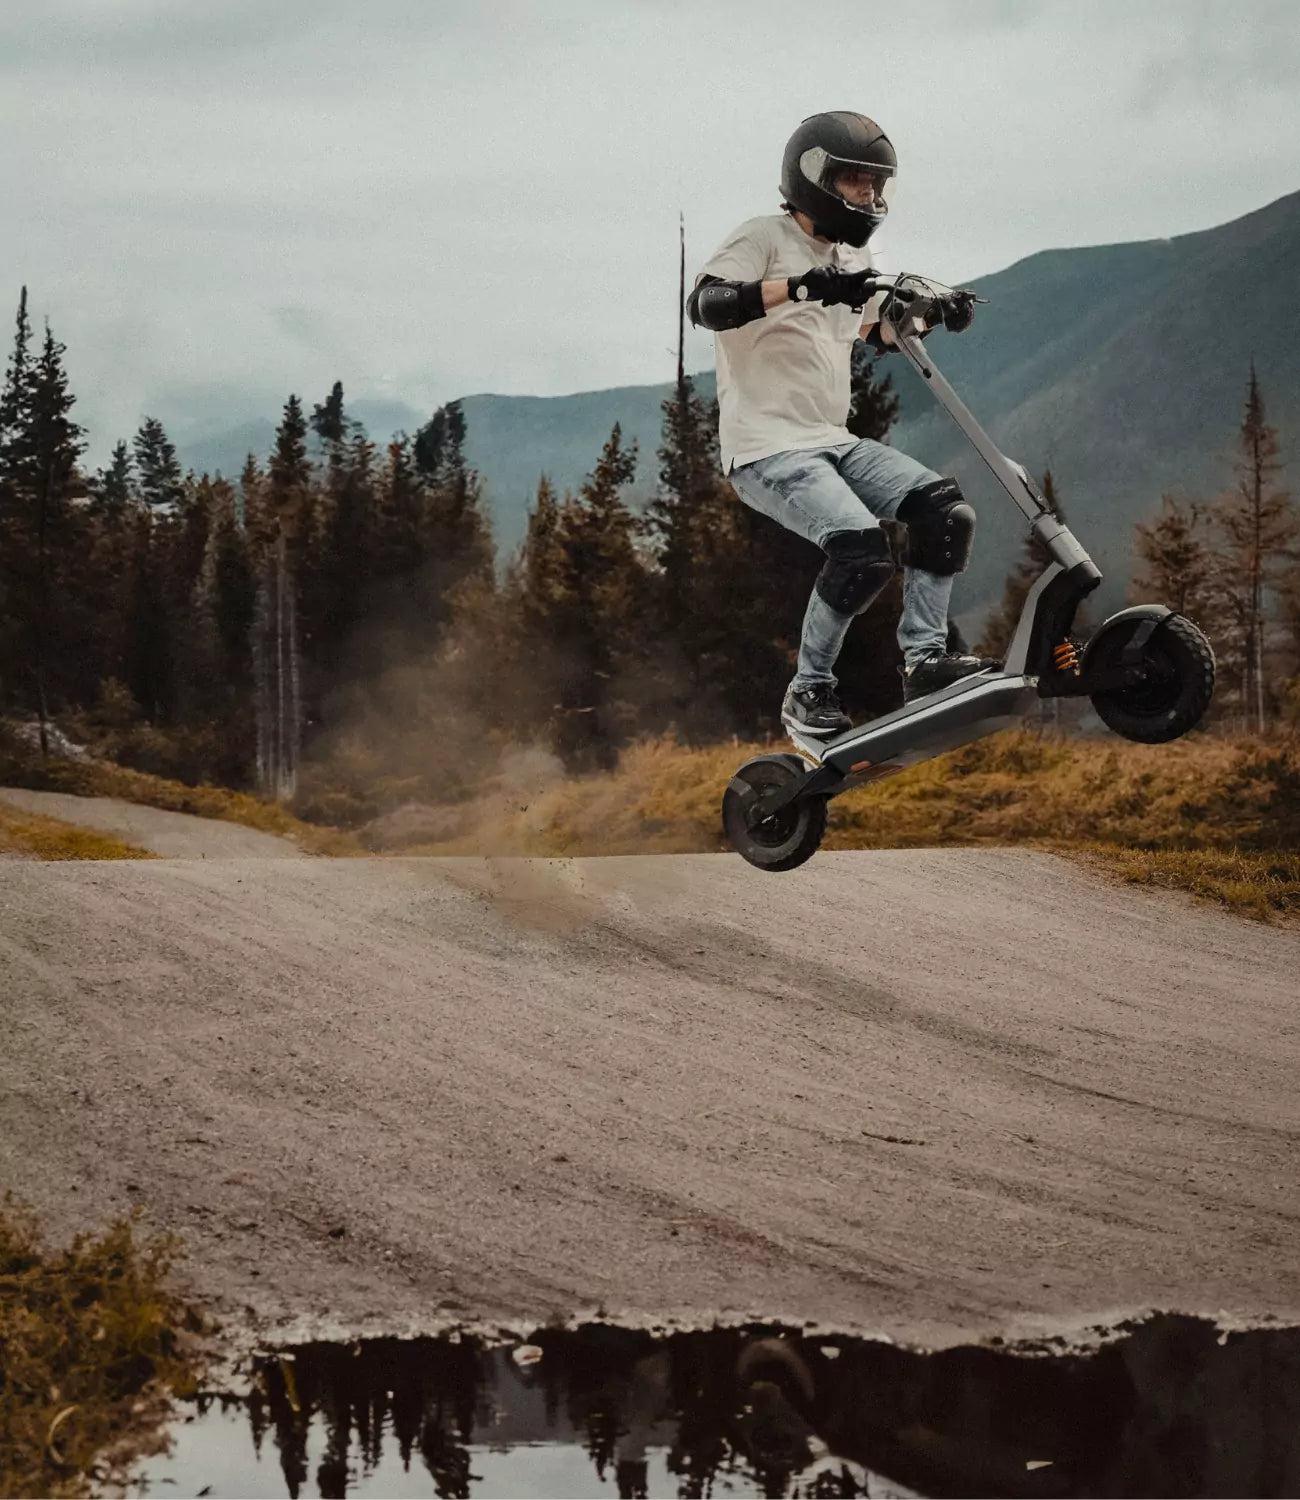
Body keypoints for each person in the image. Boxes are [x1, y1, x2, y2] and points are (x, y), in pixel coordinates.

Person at [688, 110, 994, 738]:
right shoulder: (763, 237)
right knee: (860, 552)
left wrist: (937, 311)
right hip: (767, 450)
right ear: (816, 177)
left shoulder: (854, 255)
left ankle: (926, 660)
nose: (871, 197)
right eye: (859, 183)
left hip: (833, 441)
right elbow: (707, 304)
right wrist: (799, 288)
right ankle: (809, 692)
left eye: (878, 185)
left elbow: (879, 328)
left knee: (945, 513)